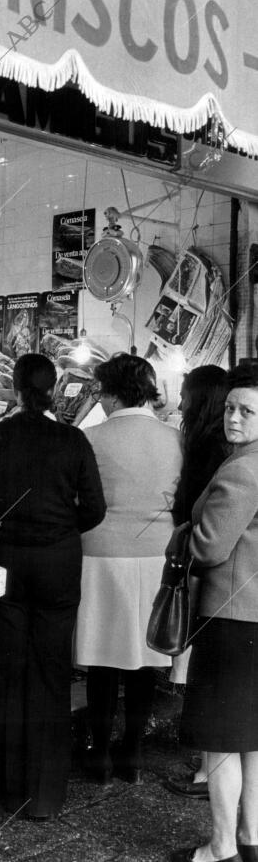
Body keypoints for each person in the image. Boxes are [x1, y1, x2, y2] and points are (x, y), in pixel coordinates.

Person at [0, 354, 106, 820]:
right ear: (54, 388)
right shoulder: (72, 439)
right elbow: (96, 509)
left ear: (16, 385)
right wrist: (61, 527)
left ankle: (12, 791)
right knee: (50, 673)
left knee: (15, 669)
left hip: (6, 564)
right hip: (58, 565)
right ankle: (45, 797)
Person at [74, 353, 182, 786]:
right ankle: (132, 753)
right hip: (156, 558)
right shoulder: (175, 438)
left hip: (99, 557)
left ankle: (99, 755)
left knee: (103, 660)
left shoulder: (90, 436)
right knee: (146, 660)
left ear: (112, 393)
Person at [172, 363, 258, 862]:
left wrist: (183, 535)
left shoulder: (244, 469)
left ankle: (220, 848)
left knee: (222, 740)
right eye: (230, 408)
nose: (233, 419)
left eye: (247, 411)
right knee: (252, 739)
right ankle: (250, 838)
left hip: (230, 619)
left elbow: (209, 548)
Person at [164, 365, 229, 800]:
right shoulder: (218, 445)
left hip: (211, 575)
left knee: (210, 675)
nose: (180, 401)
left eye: (186, 394)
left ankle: (210, 772)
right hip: (215, 576)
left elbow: (202, 519)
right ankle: (210, 766)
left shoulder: (211, 450)